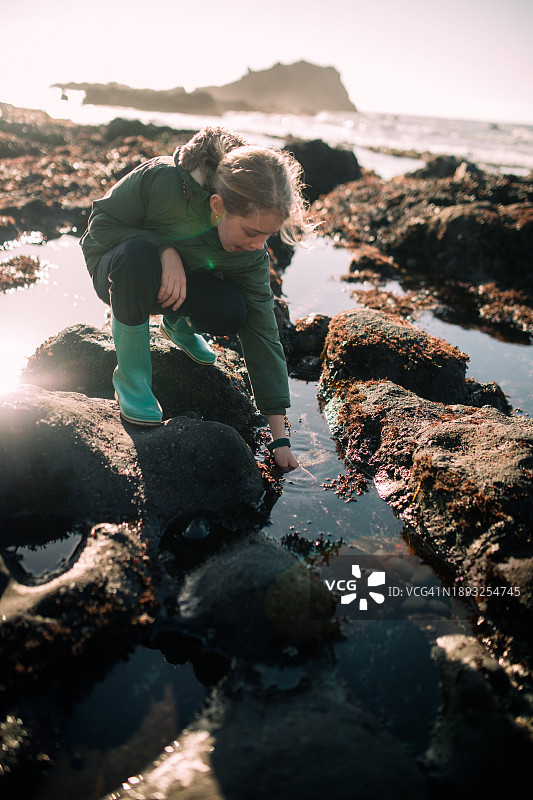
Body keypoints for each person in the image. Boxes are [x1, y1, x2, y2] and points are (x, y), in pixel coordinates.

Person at [80, 126, 312, 471]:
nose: (257, 245)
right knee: (138, 255)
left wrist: (280, 438)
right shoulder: (159, 179)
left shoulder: (251, 252)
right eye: (251, 232)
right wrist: (164, 248)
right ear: (218, 206)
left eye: (267, 236)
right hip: (117, 272)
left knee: (234, 309)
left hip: (180, 282)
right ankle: (132, 380)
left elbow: (263, 332)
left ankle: (178, 325)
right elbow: (98, 228)